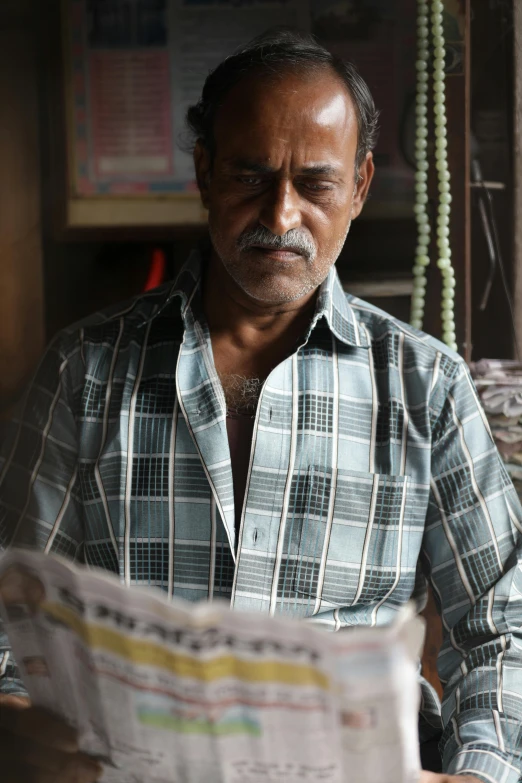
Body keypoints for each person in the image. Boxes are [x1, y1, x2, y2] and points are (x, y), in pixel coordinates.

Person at [0, 28, 520, 783]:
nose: (281, 217)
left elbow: (502, 620)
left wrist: (477, 773)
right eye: (250, 177)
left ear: (361, 184)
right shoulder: (85, 370)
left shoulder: (424, 383)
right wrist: (12, 723)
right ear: (205, 173)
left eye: (315, 184)